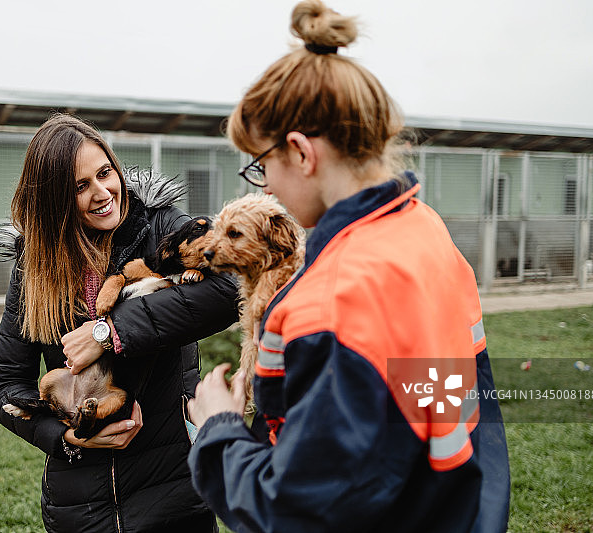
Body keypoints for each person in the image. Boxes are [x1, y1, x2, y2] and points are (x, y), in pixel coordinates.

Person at [186, 2, 511, 532]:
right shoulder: (426, 230)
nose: (265, 185)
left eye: (261, 166)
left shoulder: (335, 301)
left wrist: (220, 427)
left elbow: (299, 511)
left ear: (300, 152)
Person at [0, 113, 239, 532]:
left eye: (105, 173)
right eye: (80, 187)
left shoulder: (160, 226)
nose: (103, 193)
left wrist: (109, 332)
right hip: (81, 504)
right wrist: (65, 437)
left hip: (172, 489)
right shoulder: (34, 268)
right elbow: (4, 384)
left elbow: (230, 286)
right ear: (55, 201)